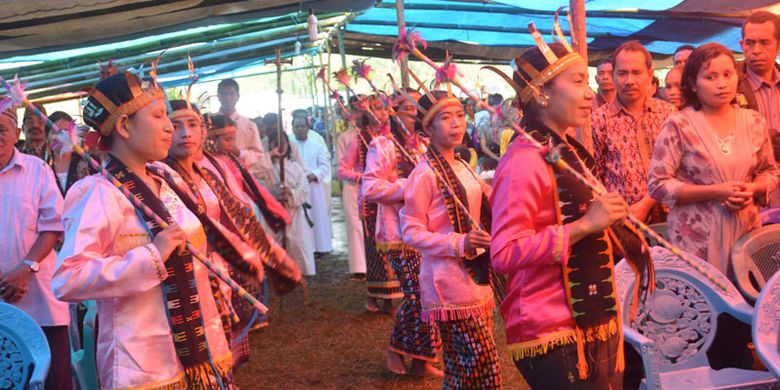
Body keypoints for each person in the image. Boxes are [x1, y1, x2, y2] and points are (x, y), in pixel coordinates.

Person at [53, 72, 233, 388]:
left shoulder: (165, 180)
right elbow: (68, 278)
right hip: (143, 366)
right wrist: (152, 255)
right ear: (124, 127)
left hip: (200, 350)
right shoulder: (99, 193)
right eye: (159, 116)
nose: (170, 127)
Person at [491, 40, 648, 389]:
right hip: (548, 328)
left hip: (588, 320)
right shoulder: (523, 161)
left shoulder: (566, 152)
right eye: (577, 82)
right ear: (541, 92)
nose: (590, 93)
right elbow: (503, 253)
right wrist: (584, 226)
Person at [648, 43, 779, 276]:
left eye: (727, 74)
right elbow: (658, 184)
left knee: (748, 301)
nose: (721, 83)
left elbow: (770, 171)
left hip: (746, 235)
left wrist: (752, 188)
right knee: (705, 305)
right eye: (710, 77)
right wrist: (716, 192)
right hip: (696, 238)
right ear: (692, 84)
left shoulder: (754, 122)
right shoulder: (679, 125)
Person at [401, 90, 500, 388]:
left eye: (459, 115)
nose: (456, 124)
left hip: (476, 278)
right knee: (481, 362)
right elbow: (411, 231)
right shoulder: (424, 174)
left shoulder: (463, 164)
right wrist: (459, 243)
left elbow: (485, 198)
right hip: (447, 282)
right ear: (427, 130)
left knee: (465, 367)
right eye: (445, 118)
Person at [362, 91, 441, 377]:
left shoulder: (423, 146)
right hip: (397, 234)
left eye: (419, 113)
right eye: (411, 112)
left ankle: (422, 359)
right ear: (394, 113)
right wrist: (408, 187)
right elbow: (369, 189)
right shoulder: (382, 145)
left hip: (427, 231)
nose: (417, 118)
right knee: (416, 294)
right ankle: (396, 351)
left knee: (431, 294)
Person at [0, 104, 72, 390]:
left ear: (15, 133)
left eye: (2, 130)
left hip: (40, 301)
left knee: (53, 380)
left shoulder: (36, 169)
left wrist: (25, 268)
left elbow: (53, 225)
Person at [592, 40, 677, 223]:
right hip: (626, 222)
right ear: (613, 75)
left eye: (636, 73)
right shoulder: (599, 119)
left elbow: (679, 166)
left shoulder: (668, 114)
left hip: (674, 216)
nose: (629, 81)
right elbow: (595, 178)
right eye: (622, 73)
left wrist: (646, 203)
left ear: (649, 74)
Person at [267, 129, 316, 276]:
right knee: (277, 242)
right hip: (275, 211)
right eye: (276, 143)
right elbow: (262, 187)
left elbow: (304, 189)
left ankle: (301, 271)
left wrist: (291, 193)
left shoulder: (295, 167)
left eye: (283, 143)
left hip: (295, 210)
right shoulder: (267, 167)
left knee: (298, 242)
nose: (280, 147)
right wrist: (275, 193)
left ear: (288, 145)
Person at [289, 111, 333, 254]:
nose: (300, 129)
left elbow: (325, 165)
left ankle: (319, 248)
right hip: (296, 187)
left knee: (317, 216)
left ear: (308, 128)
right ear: (292, 128)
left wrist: (314, 175)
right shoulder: (289, 146)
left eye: (302, 126)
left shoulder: (317, 145)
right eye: (297, 127)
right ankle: (303, 249)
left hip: (314, 187)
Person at [217, 78, 273, 184]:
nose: (227, 97)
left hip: (242, 177)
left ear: (238, 97)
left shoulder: (248, 125)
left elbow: (258, 155)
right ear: (218, 97)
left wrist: (240, 153)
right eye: (223, 94)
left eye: (231, 94)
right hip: (217, 175)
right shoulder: (209, 122)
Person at [335, 112, 367, 279]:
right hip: (354, 187)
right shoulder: (346, 138)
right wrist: (360, 177)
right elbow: (340, 168)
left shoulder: (379, 137)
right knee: (355, 226)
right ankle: (359, 267)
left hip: (375, 189)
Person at [47, 111, 96, 194]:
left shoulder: (89, 164)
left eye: (66, 131)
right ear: (47, 136)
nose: (60, 137)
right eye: (55, 132)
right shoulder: (43, 168)